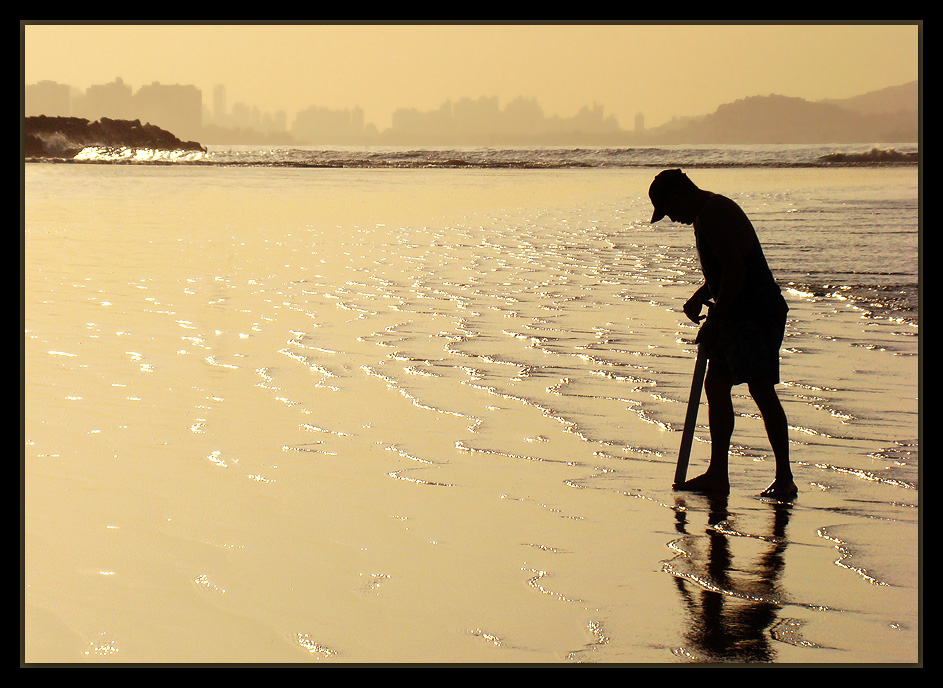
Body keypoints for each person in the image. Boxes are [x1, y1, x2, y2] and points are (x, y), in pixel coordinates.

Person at [648, 169, 797, 500]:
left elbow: (737, 271)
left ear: (678, 196)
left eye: (669, 211)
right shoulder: (705, 214)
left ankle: (784, 478)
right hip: (740, 312)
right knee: (716, 384)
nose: (672, 219)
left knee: (760, 389)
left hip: (757, 312)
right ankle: (718, 475)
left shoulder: (713, 213)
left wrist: (715, 322)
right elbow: (724, 271)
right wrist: (701, 296)